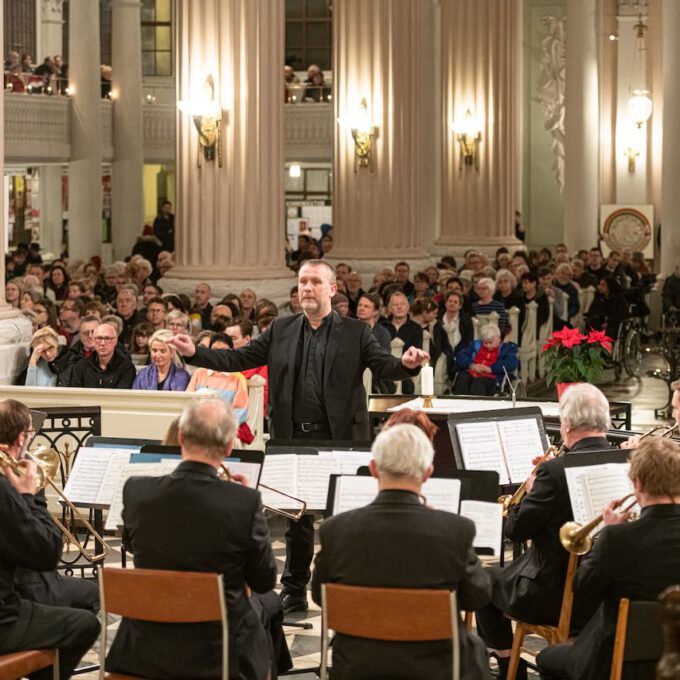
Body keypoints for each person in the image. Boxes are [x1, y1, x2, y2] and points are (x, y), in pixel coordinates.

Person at [172, 259, 428, 613]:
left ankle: (347, 584)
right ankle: (294, 588)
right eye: (303, 282)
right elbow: (240, 359)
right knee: (297, 518)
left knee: (344, 515)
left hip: (340, 437)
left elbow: (384, 364)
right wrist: (193, 353)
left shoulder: (354, 331)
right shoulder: (281, 328)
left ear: (332, 289)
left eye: (315, 282)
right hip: (291, 436)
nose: (307, 288)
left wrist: (408, 365)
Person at [105, 400, 291, 680]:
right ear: (229, 447)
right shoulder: (244, 501)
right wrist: (247, 509)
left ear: (180, 436)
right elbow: (263, 580)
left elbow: (132, 545)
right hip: (218, 653)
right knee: (269, 603)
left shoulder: (136, 490)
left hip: (146, 647)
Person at [311, 424, 491, 680]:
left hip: (357, 667)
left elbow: (321, 597)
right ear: (427, 473)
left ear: (373, 469)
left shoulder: (336, 530)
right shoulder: (454, 531)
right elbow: (477, 596)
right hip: (435, 669)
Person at [475, 383, 613, 680]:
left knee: (482, 581)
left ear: (567, 425)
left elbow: (515, 531)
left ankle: (509, 663)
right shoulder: (625, 462)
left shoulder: (553, 472)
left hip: (553, 596)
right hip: (604, 596)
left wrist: (530, 489)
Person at [536, 437, 680, 680]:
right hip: (675, 661)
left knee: (547, 658)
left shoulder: (617, 538)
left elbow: (581, 597)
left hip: (621, 662)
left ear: (638, 482)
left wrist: (603, 534)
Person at [0, 399, 100, 679]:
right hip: (5, 616)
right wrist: (31, 496)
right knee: (86, 624)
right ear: (22, 437)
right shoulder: (5, 490)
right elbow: (47, 552)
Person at [454, 324, 518, 396]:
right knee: (463, 378)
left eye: (491, 343)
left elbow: (512, 363)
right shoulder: (476, 345)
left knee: (479, 383)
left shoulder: (507, 348)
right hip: (473, 372)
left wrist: (490, 369)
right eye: (485, 342)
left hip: (493, 377)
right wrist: (471, 365)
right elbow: (461, 356)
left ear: (499, 339)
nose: (488, 345)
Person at [70, 321, 136, 389]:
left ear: (115, 341)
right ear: (93, 340)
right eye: (99, 338)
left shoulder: (126, 368)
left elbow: (122, 397)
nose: (102, 343)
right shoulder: (81, 366)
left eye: (107, 338)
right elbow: (76, 395)